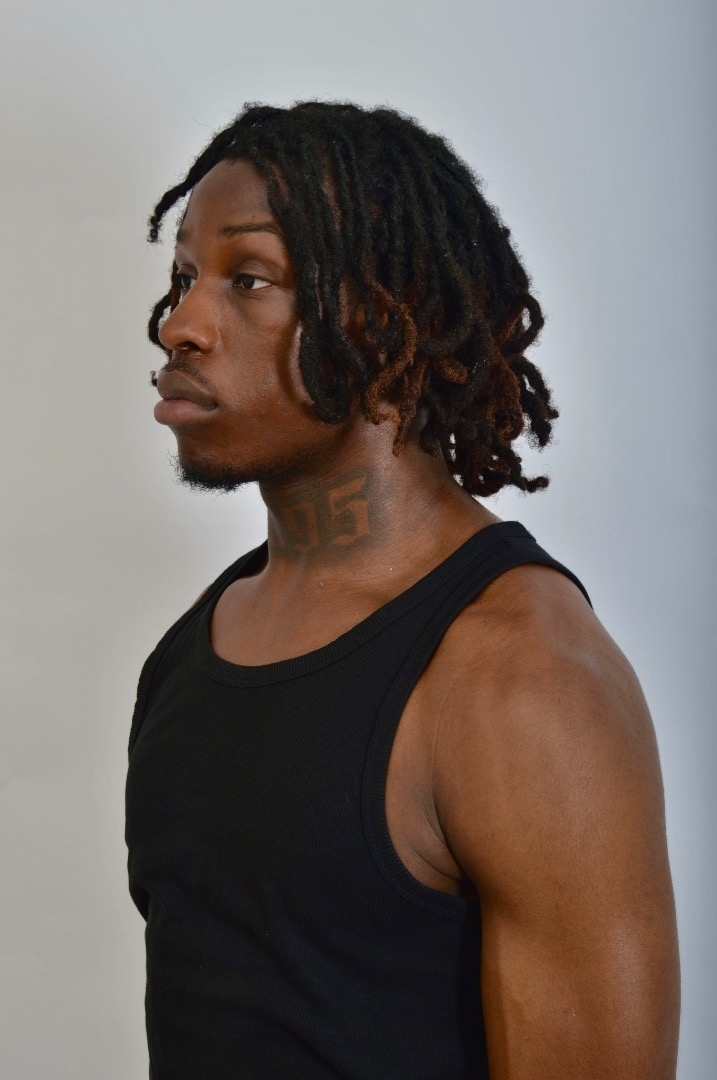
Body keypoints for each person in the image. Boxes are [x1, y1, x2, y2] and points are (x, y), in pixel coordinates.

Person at [125, 101, 680, 1079]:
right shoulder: (192, 647)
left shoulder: (524, 681)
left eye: (248, 279)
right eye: (183, 279)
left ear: (389, 320)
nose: (181, 325)